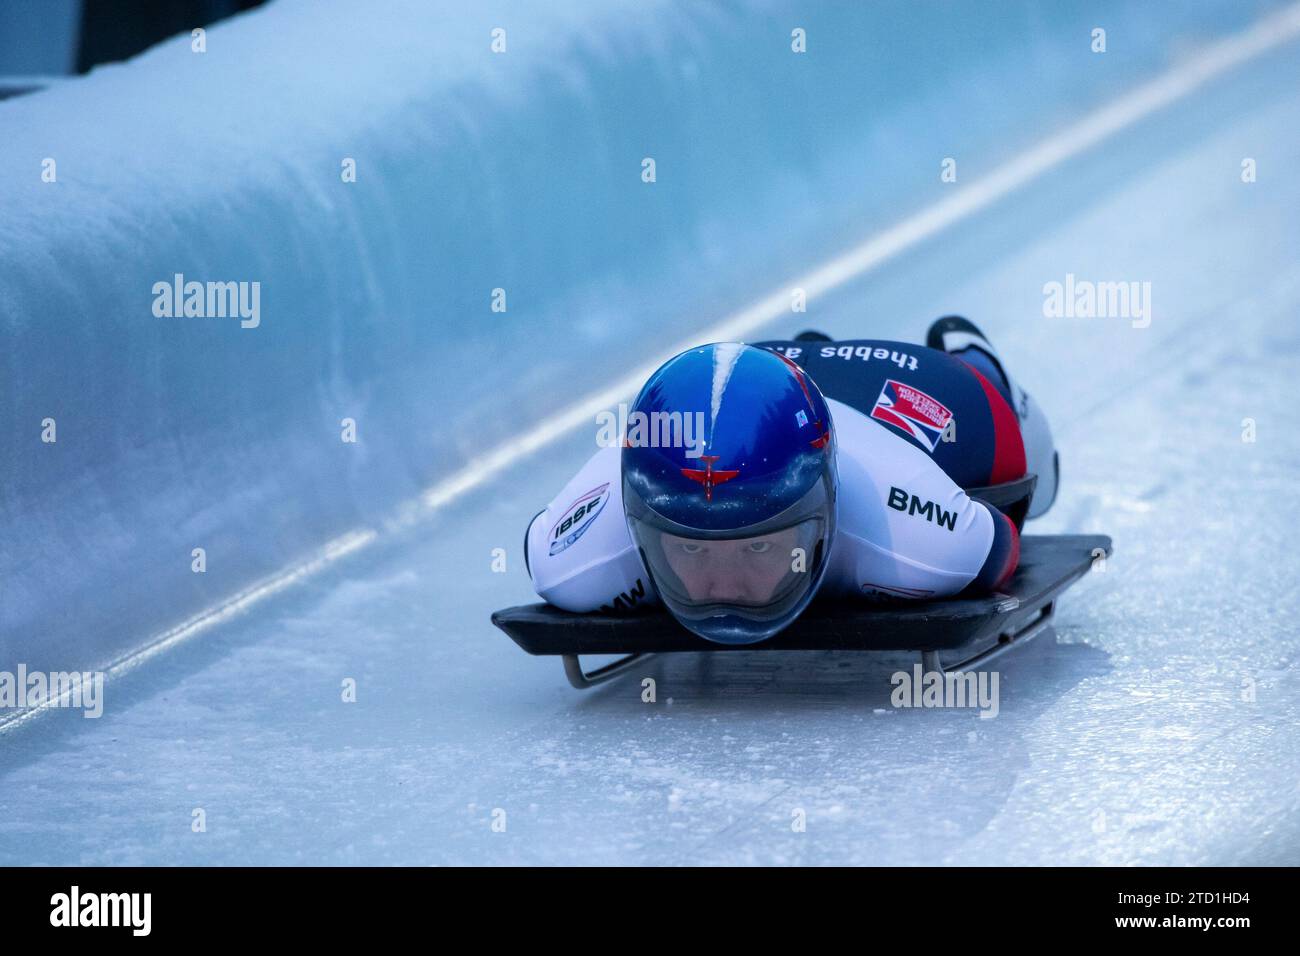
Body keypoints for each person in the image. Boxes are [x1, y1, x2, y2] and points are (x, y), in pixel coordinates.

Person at [523, 317, 1059, 645]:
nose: (725, 590)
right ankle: (808, 345)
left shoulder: (924, 543)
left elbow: (996, 544)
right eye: (689, 550)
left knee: (1018, 456)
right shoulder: (574, 560)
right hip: (763, 372)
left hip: (897, 393)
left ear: (825, 503)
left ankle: (975, 359)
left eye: (757, 544)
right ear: (638, 522)